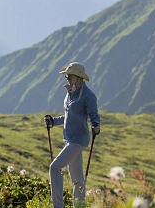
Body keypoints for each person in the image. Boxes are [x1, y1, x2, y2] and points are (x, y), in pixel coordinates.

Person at [44, 62, 100, 208]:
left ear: (78, 77)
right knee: (77, 180)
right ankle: (79, 206)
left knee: (54, 167)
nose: (67, 78)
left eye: (69, 76)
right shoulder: (71, 92)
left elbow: (93, 115)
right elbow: (69, 116)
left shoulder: (88, 96)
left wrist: (96, 125)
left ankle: (58, 206)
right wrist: (53, 122)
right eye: (66, 76)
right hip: (69, 139)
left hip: (78, 140)